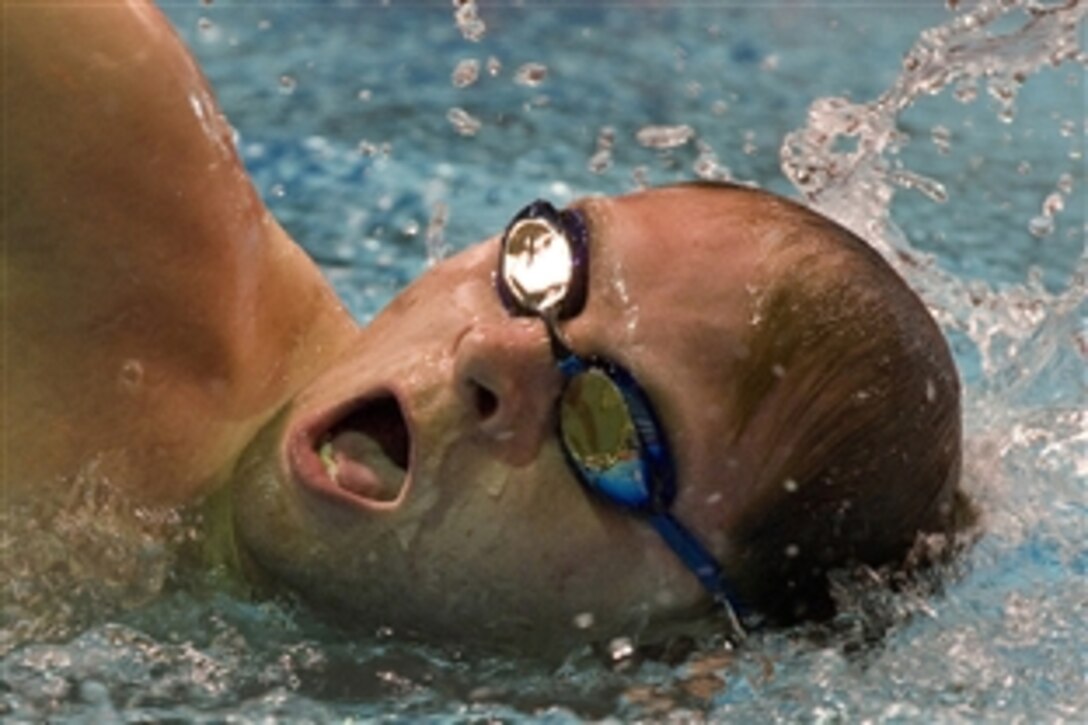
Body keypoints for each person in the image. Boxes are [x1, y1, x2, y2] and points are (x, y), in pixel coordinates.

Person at [3, 0, 970, 656]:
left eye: (608, 424)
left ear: (679, 650)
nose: (495, 349)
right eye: (548, 268)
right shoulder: (95, 173)